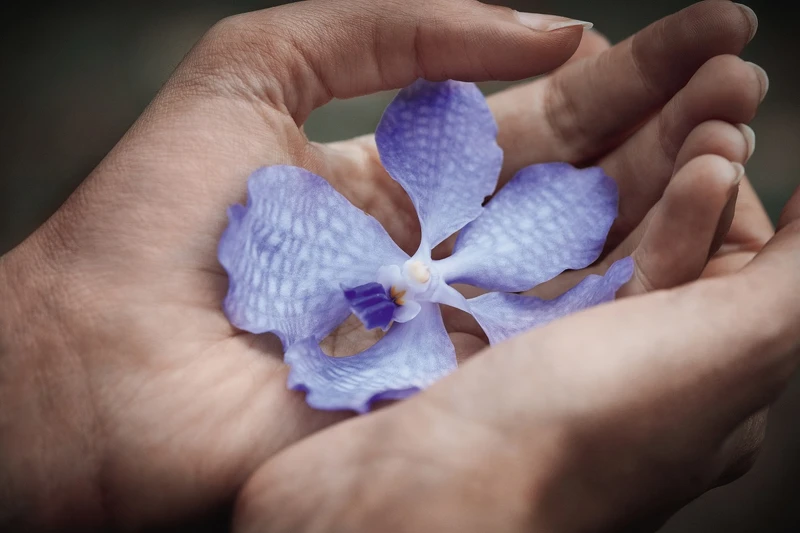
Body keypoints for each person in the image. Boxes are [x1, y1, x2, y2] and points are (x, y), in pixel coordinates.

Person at [0, 0, 792, 531]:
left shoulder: (529, 242)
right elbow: (291, 256)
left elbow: (572, 240)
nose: (418, 276)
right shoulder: (356, 266)